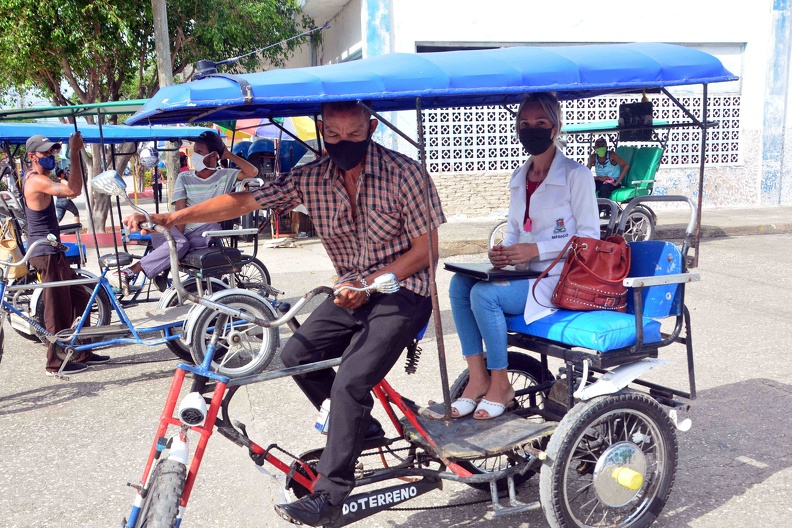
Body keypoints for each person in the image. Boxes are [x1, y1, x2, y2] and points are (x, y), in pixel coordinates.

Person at [124, 101, 445, 527]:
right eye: (333, 136)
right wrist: (174, 216)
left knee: (350, 380)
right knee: (297, 355)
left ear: (371, 127)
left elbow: (427, 250)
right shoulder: (312, 176)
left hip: (403, 290)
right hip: (351, 288)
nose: (343, 144)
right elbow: (242, 201)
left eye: (354, 136)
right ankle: (362, 428)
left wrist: (368, 284)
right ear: (321, 129)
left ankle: (330, 496)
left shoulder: (406, 173)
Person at [448, 93, 599, 420]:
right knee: (460, 285)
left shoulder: (577, 176)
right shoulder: (519, 177)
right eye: (524, 124)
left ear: (556, 127)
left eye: (540, 123)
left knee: (484, 295)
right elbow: (514, 230)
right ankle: (477, 379)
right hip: (523, 275)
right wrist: (502, 253)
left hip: (559, 279)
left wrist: (537, 250)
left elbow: (590, 239)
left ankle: (500, 384)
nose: (531, 129)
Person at [111, 132, 257, 293]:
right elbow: (179, 213)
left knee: (186, 241)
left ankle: (132, 271)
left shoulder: (226, 175)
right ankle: (156, 264)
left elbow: (252, 172)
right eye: (195, 151)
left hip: (203, 233)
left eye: (200, 152)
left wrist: (227, 154)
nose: (195, 156)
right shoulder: (184, 177)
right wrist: (177, 244)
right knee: (178, 243)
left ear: (213, 155)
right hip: (177, 226)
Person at [22, 133, 110, 375]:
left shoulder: (42, 177)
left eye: (52, 152)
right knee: (56, 307)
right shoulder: (35, 181)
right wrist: (74, 153)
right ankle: (55, 363)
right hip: (45, 252)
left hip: (53, 250)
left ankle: (82, 352)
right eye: (45, 153)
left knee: (80, 298)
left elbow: (71, 187)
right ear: (32, 157)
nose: (50, 156)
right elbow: (73, 189)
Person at [586, 136, 630, 212]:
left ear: (606, 147)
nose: (600, 147)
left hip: (613, 182)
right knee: (588, 185)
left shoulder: (611, 155)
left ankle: (597, 213)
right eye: (598, 146)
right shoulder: (593, 157)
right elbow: (585, 173)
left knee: (605, 188)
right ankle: (604, 208)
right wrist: (599, 178)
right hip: (601, 181)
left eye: (602, 145)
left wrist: (617, 182)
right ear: (594, 148)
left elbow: (626, 165)